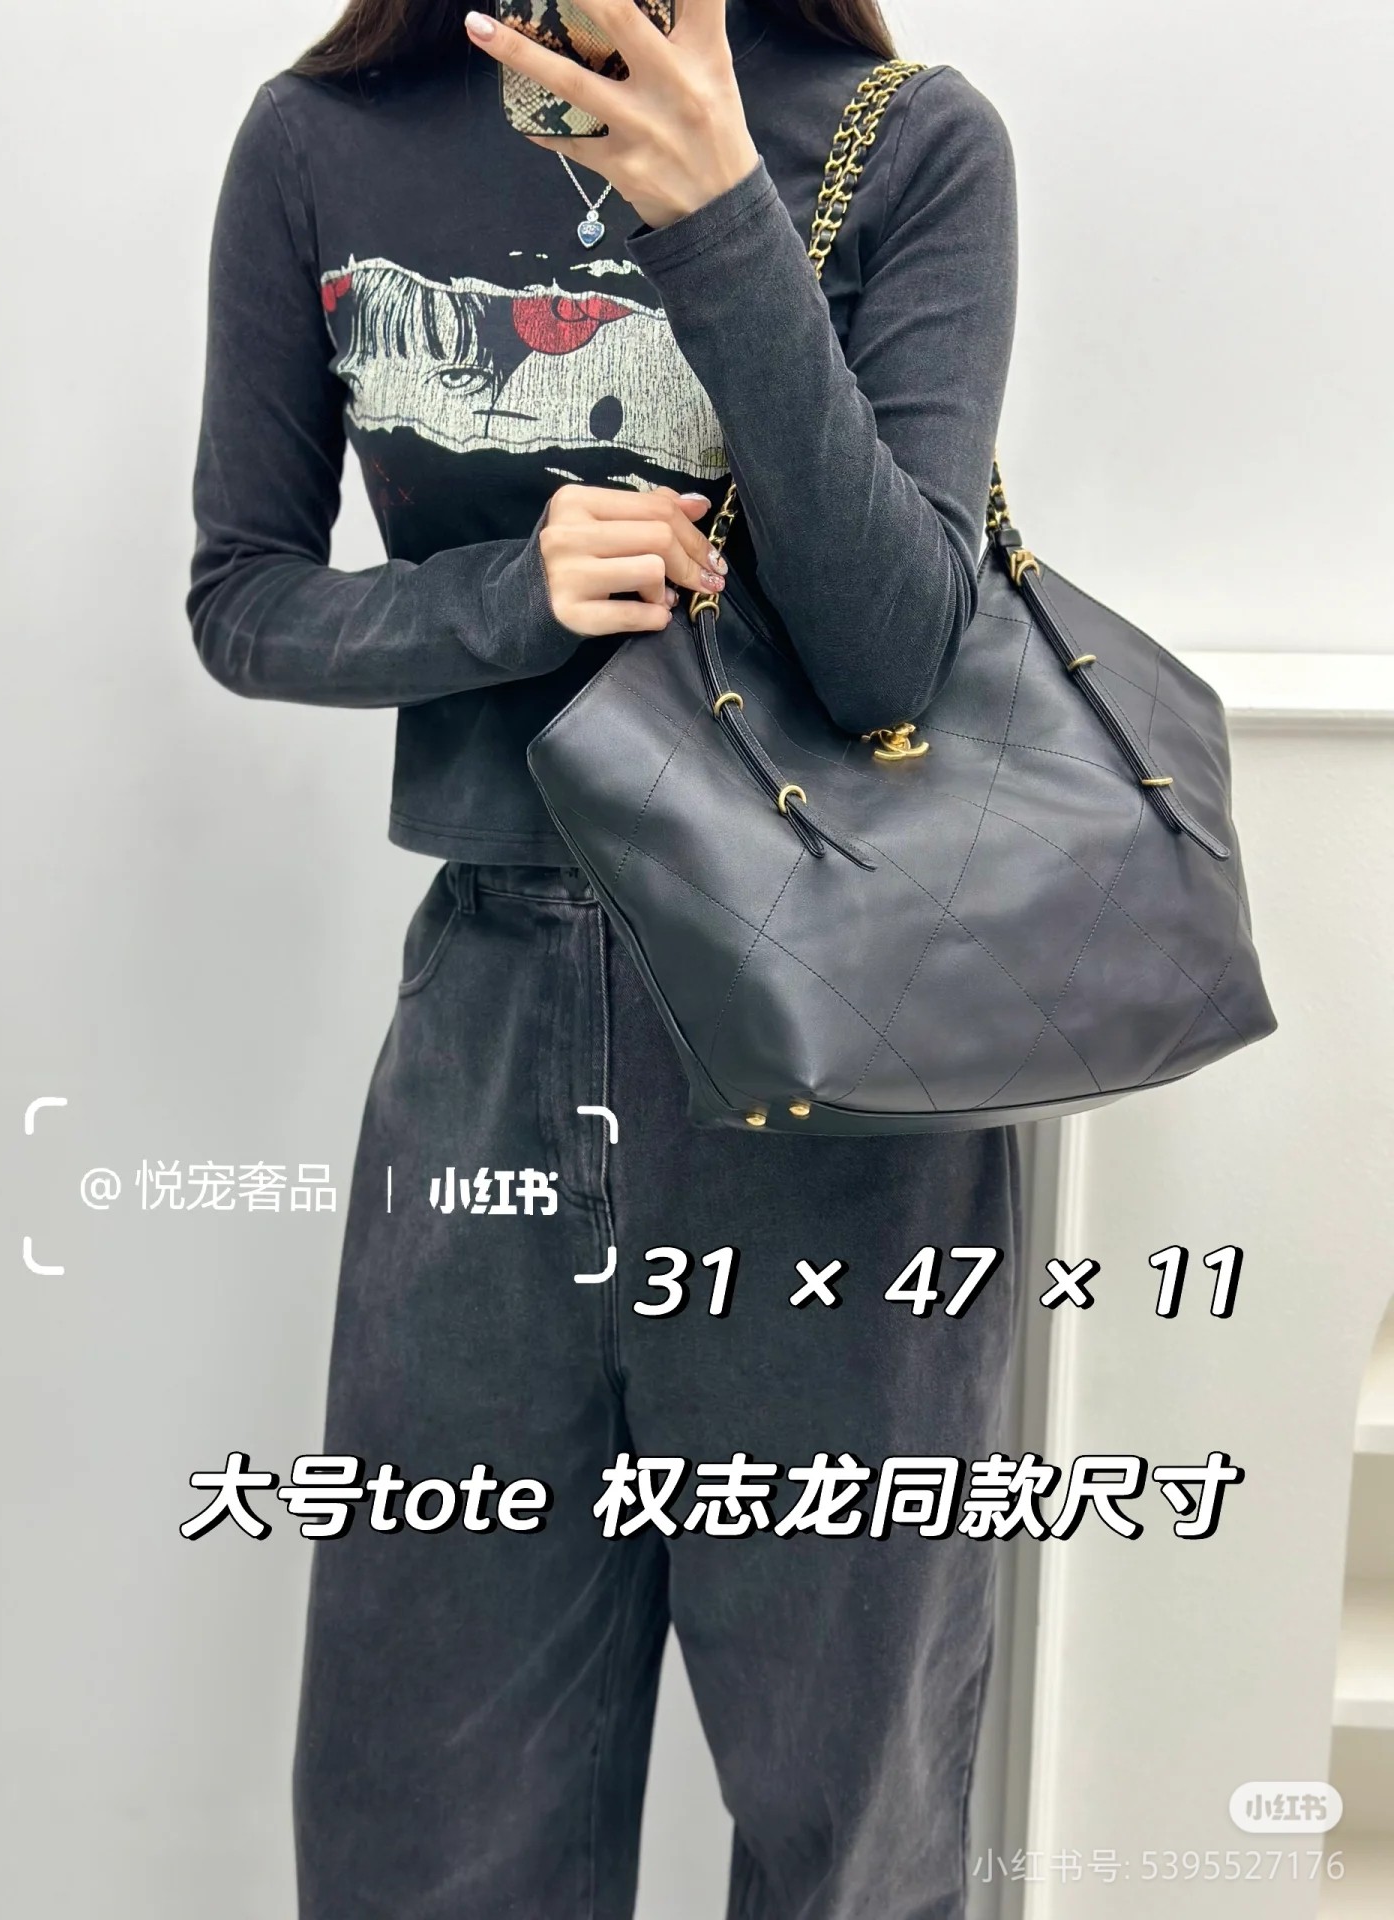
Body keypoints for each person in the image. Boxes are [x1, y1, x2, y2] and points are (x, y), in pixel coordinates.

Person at [186, 0, 1021, 1913]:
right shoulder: (327, 139)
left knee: (853, 1806)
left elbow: (899, 648)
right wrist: (515, 589)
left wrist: (722, 213)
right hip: (492, 1022)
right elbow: (246, 597)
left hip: (832, 1049)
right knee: (433, 1804)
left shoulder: (908, 138)